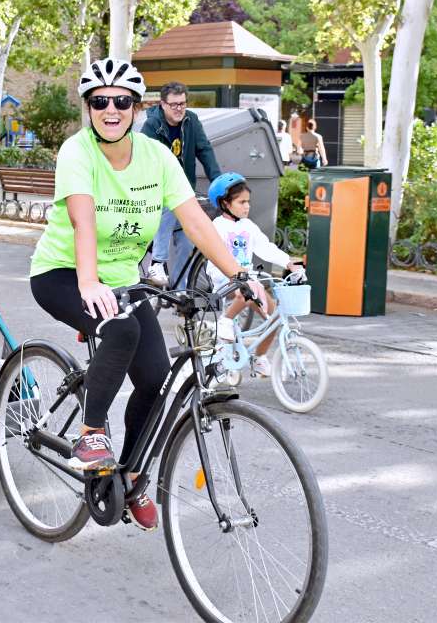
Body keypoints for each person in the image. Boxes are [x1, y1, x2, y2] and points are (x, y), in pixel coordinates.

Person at [29, 57, 263, 532]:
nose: (110, 109)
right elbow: (83, 220)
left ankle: (131, 476)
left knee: (156, 379)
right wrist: (90, 282)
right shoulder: (78, 152)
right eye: (100, 101)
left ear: (136, 108)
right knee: (119, 329)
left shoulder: (157, 157)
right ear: (89, 107)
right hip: (63, 272)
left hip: (123, 281)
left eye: (121, 101)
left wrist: (241, 273)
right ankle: (90, 433)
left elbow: (197, 222)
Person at [204, 173, 305, 376]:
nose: (247, 206)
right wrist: (236, 276)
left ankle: (259, 358)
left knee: (274, 316)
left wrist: (289, 263)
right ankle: (226, 320)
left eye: (248, 202)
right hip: (224, 279)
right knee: (245, 290)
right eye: (241, 202)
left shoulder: (248, 226)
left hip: (247, 281)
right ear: (225, 203)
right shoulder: (217, 227)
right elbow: (214, 256)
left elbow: (266, 248)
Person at [139, 81, 220, 287]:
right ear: (163, 104)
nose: (179, 109)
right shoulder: (152, 126)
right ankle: (157, 262)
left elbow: (204, 150)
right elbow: (147, 162)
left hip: (184, 191)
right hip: (156, 191)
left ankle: (179, 290)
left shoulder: (191, 121)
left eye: (182, 104)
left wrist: (218, 182)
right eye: (174, 104)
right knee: (168, 205)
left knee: (187, 240)